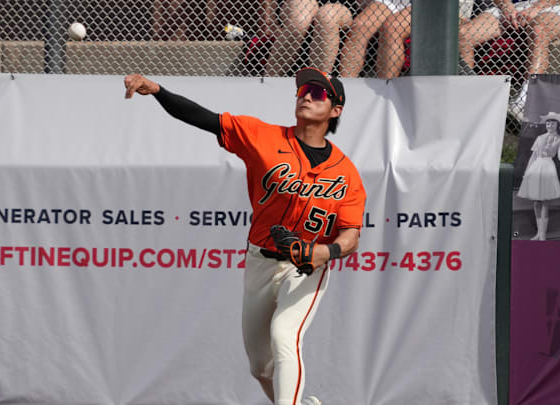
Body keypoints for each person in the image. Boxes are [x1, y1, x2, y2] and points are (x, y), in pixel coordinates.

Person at [124, 67, 366, 405]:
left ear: (336, 110)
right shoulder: (261, 136)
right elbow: (203, 118)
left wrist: (324, 253)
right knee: (260, 365)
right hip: (259, 260)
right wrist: (158, 90)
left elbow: (351, 235)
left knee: (284, 337)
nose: (307, 95)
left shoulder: (347, 173)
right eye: (303, 90)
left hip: (306, 267)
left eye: (320, 93)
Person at [458, 0, 560, 115]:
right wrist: (507, 8)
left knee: (538, 30)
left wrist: (537, 8)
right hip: (517, 5)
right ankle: (464, 96)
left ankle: (525, 101)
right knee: (463, 34)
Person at [264, 0, 411, 77]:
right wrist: (268, 19)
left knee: (327, 17)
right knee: (299, 23)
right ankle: (268, 81)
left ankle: (320, 86)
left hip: (344, 4)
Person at [518, 111, 560, 240]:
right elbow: (533, 156)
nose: (549, 124)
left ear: (557, 125)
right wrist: (527, 172)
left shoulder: (559, 139)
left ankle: (543, 234)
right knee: (536, 201)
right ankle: (538, 232)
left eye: (552, 122)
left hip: (547, 166)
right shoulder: (540, 138)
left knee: (544, 200)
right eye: (548, 122)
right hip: (536, 166)